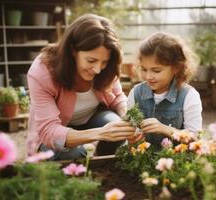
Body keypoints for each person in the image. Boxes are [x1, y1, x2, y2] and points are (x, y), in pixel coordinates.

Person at [26, 14, 135, 160]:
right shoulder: (42, 71)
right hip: (57, 129)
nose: (97, 69)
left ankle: (104, 163)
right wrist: (101, 134)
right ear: (72, 50)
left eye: (104, 62)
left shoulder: (107, 67)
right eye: (91, 60)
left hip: (93, 119)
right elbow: (48, 131)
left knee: (118, 129)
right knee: (72, 155)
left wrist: (127, 117)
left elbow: (117, 97)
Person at [127, 32, 202, 149]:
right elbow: (131, 138)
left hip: (176, 161)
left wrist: (165, 129)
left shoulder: (189, 95)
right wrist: (131, 139)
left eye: (156, 71)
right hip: (143, 160)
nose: (148, 76)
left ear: (176, 68)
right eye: (144, 69)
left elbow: (195, 139)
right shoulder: (136, 93)